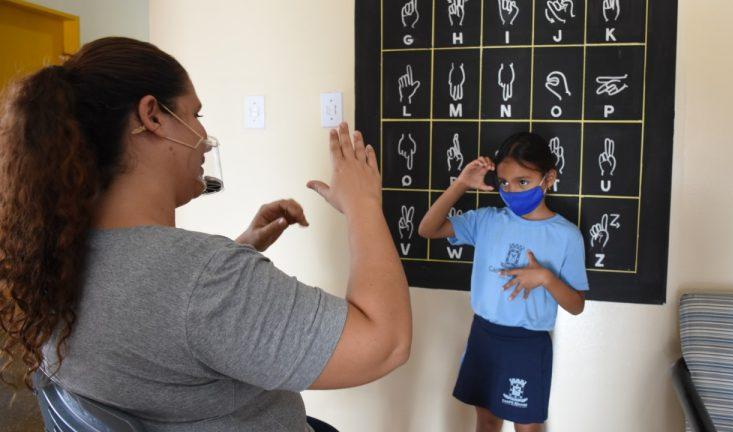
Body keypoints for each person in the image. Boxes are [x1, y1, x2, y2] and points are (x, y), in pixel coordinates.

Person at [0, 37, 411, 432]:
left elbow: (160, 309)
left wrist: (241, 248)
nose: (203, 138)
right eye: (195, 115)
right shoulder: (202, 279)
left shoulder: (52, 257)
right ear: (152, 116)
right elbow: (384, 343)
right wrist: (362, 204)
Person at [418, 132, 588, 432]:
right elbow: (427, 229)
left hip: (527, 343)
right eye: (504, 183)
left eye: (523, 181)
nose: (511, 190)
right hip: (484, 335)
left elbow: (576, 305)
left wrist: (546, 278)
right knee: (486, 421)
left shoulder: (566, 236)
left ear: (548, 179)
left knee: (527, 426)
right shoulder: (487, 220)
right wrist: (460, 184)